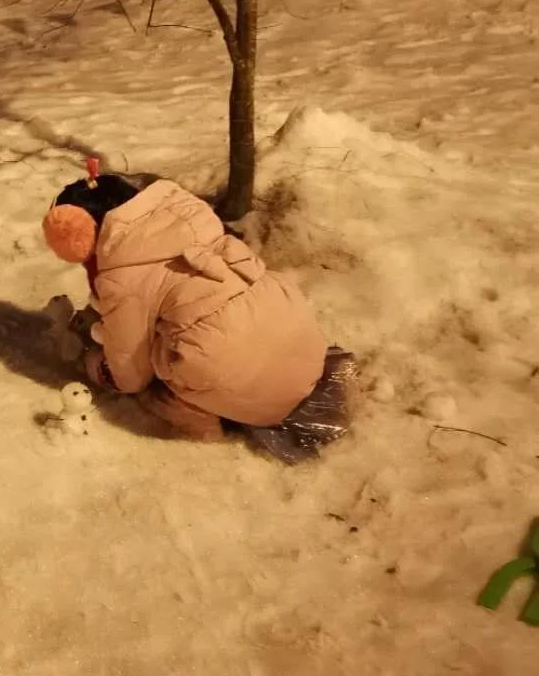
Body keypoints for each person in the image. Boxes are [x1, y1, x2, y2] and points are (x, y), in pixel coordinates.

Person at [43, 167, 350, 461]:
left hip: (252, 389)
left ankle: (200, 420)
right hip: (306, 352)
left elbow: (130, 375)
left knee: (155, 374)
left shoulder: (122, 275)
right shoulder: (194, 218)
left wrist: (93, 361)